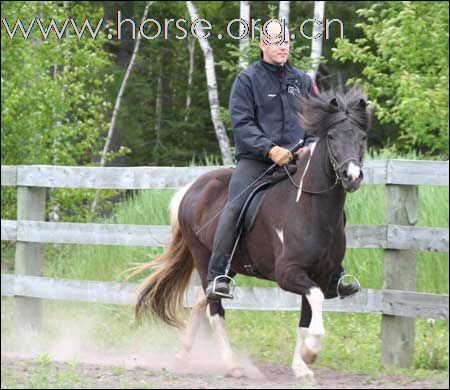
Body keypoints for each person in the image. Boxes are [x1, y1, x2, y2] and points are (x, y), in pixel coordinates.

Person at [205, 20, 360, 300]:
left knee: (335, 209)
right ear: (263, 45)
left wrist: (309, 147)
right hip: (257, 162)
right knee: (234, 207)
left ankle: (334, 276)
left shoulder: (302, 81)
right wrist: (270, 149)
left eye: (287, 42)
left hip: (296, 161)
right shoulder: (247, 80)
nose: (283, 46)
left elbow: (319, 124)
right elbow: (242, 124)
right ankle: (217, 276)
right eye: (277, 42)